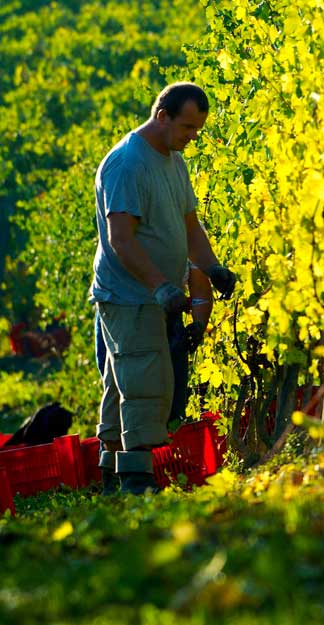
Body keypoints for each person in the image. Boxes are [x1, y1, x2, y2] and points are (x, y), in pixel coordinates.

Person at [90, 82, 236, 495]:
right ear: (163, 117)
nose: (193, 137)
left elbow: (189, 224)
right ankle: (137, 486)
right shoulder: (127, 164)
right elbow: (121, 240)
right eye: (187, 127)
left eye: (198, 129)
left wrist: (212, 267)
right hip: (129, 294)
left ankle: (110, 476)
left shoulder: (172, 160)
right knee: (144, 383)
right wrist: (159, 287)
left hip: (153, 294)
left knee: (125, 381)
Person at [94, 263, 213, 425]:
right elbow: (121, 245)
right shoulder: (126, 237)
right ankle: (124, 444)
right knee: (123, 400)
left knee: (172, 405)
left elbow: (200, 288)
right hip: (120, 310)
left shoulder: (190, 238)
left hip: (168, 314)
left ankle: (166, 440)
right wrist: (162, 289)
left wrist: (199, 324)